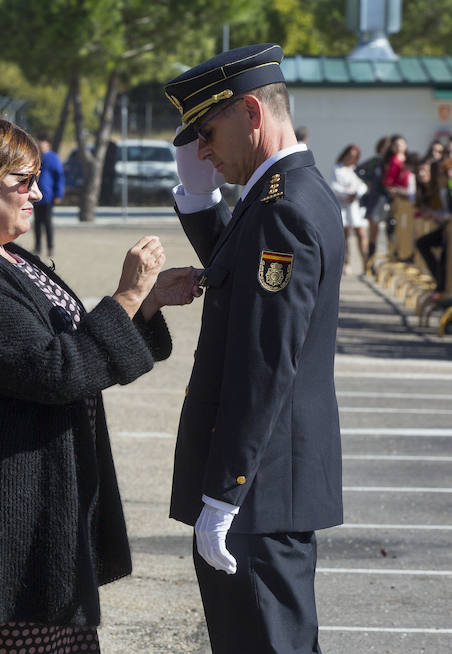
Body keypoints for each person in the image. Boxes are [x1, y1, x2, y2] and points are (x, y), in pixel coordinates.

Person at [0, 112, 199, 653]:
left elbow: (70, 343)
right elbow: (54, 369)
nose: (37, 194)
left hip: (35, 501)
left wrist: (149, 302)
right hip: (4, 510)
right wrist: (127, 298)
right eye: (22, 181)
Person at [163, 43, 344, 653]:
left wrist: (226, 491)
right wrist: (198, 201)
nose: (204, 152)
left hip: (259, 491)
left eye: (207, 134)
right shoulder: (288, 193)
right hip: (269, 487)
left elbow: (265, 362)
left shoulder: (281, 208)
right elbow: (241, 280)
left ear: (251, 112)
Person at [331, 144, 369, 274]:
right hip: (343, 205)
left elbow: (363, 186)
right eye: (349, 155)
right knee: (345, 236)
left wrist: (356, 193)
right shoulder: (337, 169)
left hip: (355, 207)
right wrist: (348, 193)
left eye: (353, 157)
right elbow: (335, 187)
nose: (350, 158)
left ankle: (366, 262)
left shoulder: (357, 169)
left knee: (361, 233)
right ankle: (346, 263)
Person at [357, 135, 392, 261]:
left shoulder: (392, 163)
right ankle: (371, 263)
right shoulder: (375, 162)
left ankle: (390, 261)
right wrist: (368, 181)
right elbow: (358, 169)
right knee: (373, 233)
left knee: (391, 231)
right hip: (376, 200)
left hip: (390, 200)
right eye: (384, 147)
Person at [32, 134, 65, 257]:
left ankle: (50, 247)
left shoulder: (53, 158)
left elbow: (59, 177)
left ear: (48, 144)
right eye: (39, 142)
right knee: (37, 223)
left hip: (47, 196)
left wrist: (58, 194)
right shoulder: (35, 157)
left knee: (47, 222)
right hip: (35, 196)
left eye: (43, 143)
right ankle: (38, 247)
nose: (40, 145)